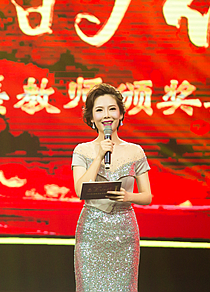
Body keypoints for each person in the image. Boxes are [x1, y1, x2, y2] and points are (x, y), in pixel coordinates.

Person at [72, 83, 152, 292]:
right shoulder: (82, 150)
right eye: (99, 110)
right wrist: (99, 155)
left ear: (121, 114)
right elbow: (80, 190)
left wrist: (128, 197)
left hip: (124, 233)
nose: (106, 115)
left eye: (112, 109)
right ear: (91, 118)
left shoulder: (135, 151)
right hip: (91, 233)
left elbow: (147, 196)